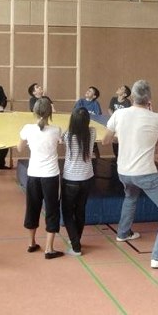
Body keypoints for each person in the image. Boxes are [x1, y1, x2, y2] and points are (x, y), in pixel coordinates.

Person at [103, 80, 158, 269]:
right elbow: (157, 142)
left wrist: (123, 134)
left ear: (132, 97)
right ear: (149, 99)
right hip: (145, 172)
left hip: (123, 171)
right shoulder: (157, 118)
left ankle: (123, 233)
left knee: (131, 197)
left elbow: (105, 140)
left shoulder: (119, 114)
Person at [17, 97, 64, 259]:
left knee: (32, 207)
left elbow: (19, 147)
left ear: (34, 112)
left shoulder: (28, 129)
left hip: (34, 174)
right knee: (52, 210)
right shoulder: (57, 129)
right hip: (50, 175)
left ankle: (31, 243)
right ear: (50, 113)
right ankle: (49, 249)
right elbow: (58, 142)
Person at [61, 107, 96, 256]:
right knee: (80, 210)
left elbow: (61, 138)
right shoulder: (92, 132)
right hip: (87, 177)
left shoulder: (68, 135)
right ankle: (76, 238)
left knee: (68, 212)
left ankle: (76, 246)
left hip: (71, 178)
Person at [108, 85, 131, 157]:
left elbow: (128, 113)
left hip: (123, 125)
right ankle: (117, 157)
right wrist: (113, 117)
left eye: (121, 89)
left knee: (122, 142)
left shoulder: (127, 102)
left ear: (124, 94)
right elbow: (110, 109)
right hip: (115, 124)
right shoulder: (113, 99)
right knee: (115, 142)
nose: (118, 88)